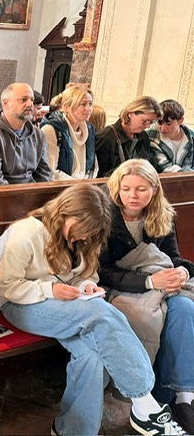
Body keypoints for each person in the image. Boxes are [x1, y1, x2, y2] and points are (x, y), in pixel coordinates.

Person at [0, 183, 185, 436]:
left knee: (91, 355)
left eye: (90, 233)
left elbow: (83, 275)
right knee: (99, 312)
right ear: (66, 212)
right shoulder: (26, 233)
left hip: (64, 304)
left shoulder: (82, 237)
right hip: (20, 303)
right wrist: (51, 290)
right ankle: (144, 405)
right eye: (83, 230)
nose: (84, 237)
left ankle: (71, 431)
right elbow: (6, 286)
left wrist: (85, 286)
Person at [99, 159, 194, 434]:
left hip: (160, 281)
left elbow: (173, 259)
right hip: (123, 285)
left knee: (184, 307)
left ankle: (183, 397)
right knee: (147, 315)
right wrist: (149, 281)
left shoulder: (163, 214)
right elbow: (102, 271)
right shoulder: (104, 216)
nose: (132, 195)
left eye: (141, 189)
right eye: (126, 188)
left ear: (154, 189)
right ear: (116, 188)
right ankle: (151, 392)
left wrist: (182, 273)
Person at [0, 82, 53, 186]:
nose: (30, 104)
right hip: (2, 194)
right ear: (6, 103)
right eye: (23, 100)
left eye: (32, 100)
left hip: (32, 193)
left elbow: (45, 176)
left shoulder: (39, 135)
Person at [40, 85, 98, 180]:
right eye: (83, 104)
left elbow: (93, 167)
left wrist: (86, 183)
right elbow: (50, 171)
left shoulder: (89, 129)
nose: (89, 109)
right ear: (67, 107)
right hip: (61, 186)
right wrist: (77, 185)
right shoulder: (51, 130)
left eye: (90, 104)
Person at [95, 95, 162, 177]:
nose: (148, 126)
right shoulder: (105, 137)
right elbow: (99, 175)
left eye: (151, 122)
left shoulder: (143, 136)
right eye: (145, 121)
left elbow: (152, 166)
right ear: (130, 114)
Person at [147, 99, 194, 172]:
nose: (163, 128)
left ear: (180, 121)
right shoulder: (149, 137)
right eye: (159, 123)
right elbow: (164, 167)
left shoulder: (191, 137)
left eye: (169, 124)